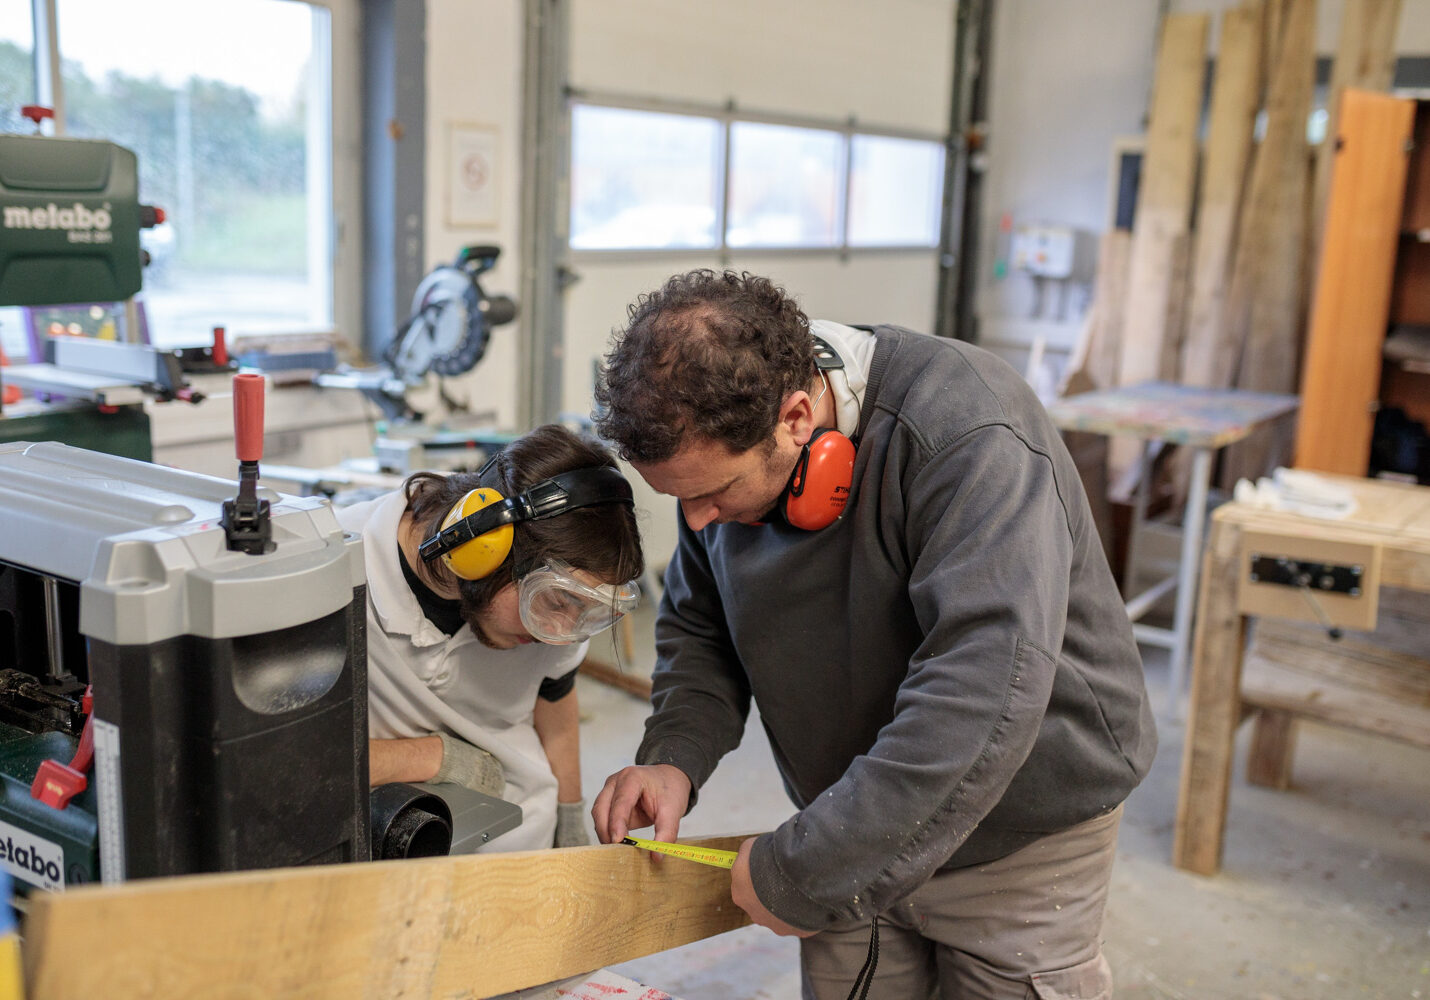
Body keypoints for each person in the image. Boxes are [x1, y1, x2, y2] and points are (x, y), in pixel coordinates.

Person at [590, 270, 1156, 999]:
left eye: (712, 495)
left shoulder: (968, 433)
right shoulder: (718, 452)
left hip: (1017, 832)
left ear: (796, 418)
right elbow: (703, 627)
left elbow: (982, 693)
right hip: (848, 812)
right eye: (679, 500)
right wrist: (674, 756)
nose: (696, 522)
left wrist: (807, 868)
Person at [337, 423, 643, 852]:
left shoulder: (557, 618)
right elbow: (284, 763)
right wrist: (430, 757)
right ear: (482, 544)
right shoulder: (340, 568)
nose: (559, 635)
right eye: (555, 600)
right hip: (388, 837)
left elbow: (555, 703)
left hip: (518, 833)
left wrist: (569, 815)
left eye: (584, 610)